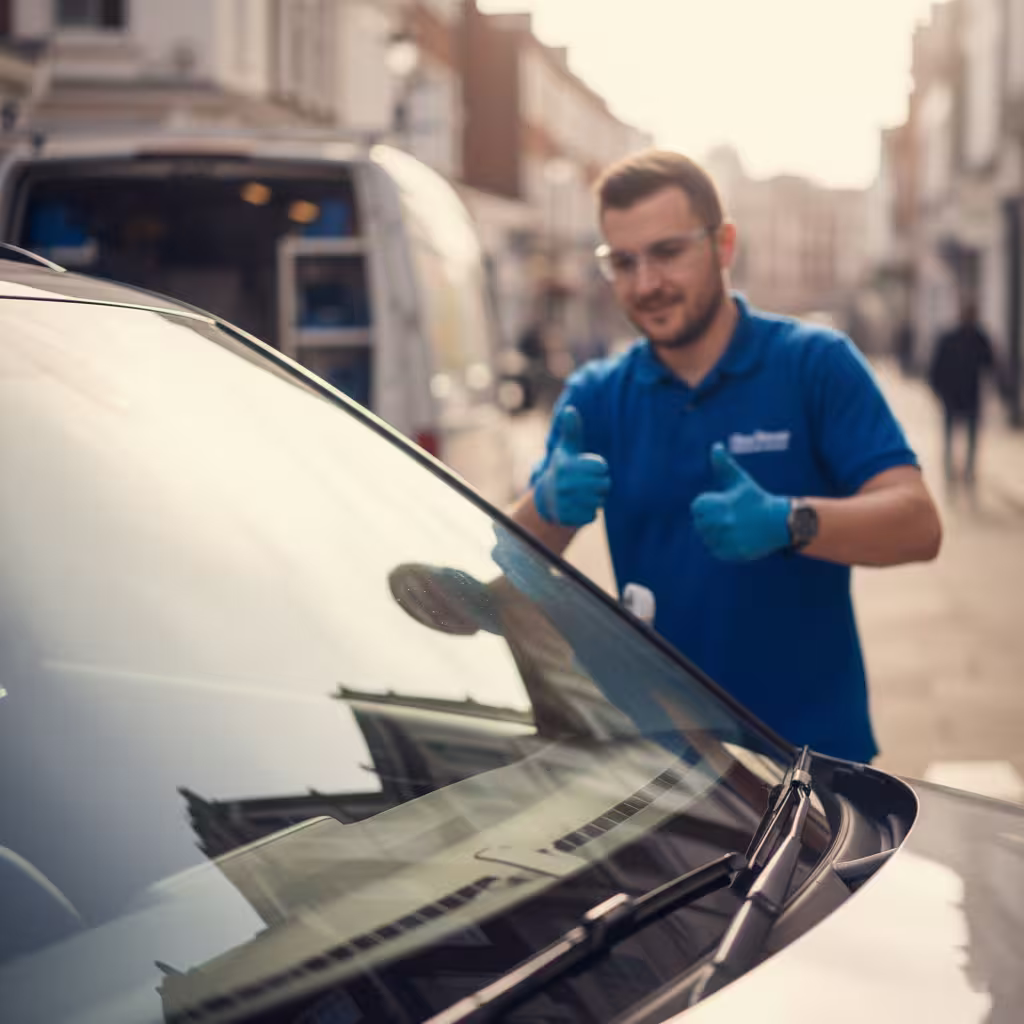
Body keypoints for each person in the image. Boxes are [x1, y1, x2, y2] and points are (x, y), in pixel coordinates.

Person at [509, 149, 943, 764]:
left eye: (667, 253)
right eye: (623, 262)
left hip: (814, 759)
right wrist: (541, 505)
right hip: (661, 761)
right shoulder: (597, 397)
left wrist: (789, 521)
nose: (646, 284)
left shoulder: (815, 364)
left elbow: (917, 524)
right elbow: (515, 568)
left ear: (724, 244)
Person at [928, 298, 997, 491]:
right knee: (952, 434)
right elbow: (936, 367)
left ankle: (967, 471)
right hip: (953, 395)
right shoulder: (951, 337)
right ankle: (952, 470)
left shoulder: (979, 337)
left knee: (969, 436)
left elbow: (990, 363)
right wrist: (938, 390)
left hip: (968, 395)